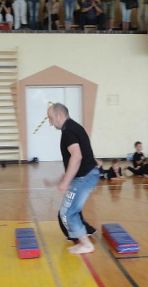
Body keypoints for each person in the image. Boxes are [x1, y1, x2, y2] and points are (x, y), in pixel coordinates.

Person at [47, 103, 99, 254]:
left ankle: (86, 244)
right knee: (67, 211)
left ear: (59, 115)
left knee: (69, 212)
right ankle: (83, 240)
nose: (50, 123)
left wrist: (65, 182)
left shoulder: (68, 131)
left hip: (85, 177)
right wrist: (61, 179)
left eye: (51, 118)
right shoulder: (72, 127)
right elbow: (76, 159)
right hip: (85, 176)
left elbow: (77, 156)